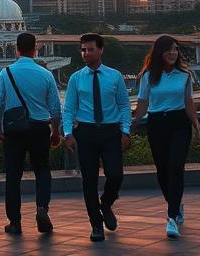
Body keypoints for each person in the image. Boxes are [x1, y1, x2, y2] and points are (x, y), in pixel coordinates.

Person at [132, 34, 200, 240]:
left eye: (175, 49)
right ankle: (176, 203)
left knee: (175, 167)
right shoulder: (148, 76)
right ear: (159, 53)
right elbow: (143, 103)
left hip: (179, 123)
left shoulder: (184, 75)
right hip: (157, 124)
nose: (173, 53)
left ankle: (172, 217)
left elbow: (189, 103)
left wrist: (197, 127)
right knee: (162, 171)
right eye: (168, 50)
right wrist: (133, 123)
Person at [0, 32, 62, 236]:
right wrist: (55, 132)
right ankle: (42, 208)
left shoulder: (6, 72)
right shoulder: (45, 74)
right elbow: (55, 109)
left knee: (13, 175)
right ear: (35, 48)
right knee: (42, 170)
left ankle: (15, 222)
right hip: (40, 127)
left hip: (14, 129)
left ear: (16, 49)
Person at [62, 33, 131, 242]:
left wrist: (125, 131)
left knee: (115, 174)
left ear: (100, 50)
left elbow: (124, 105)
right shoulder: (76, 78)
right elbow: (69, 109)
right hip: (86, 132)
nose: (86, 53)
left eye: (90, 49)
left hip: (110, 131)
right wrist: (67, 134)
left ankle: (106, 203)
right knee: (89, 181)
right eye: (83, 49)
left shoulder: (114, 76)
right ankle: (96, 224)